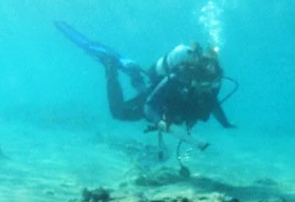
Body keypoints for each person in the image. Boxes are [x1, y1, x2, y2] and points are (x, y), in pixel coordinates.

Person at [55, 22, 236, 136]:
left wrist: (226, 124)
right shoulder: (180, 75)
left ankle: (134, 74)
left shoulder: (213, 82)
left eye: (210, 81)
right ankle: (111, 67)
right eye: (203, 81)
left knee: (147, 92)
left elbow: (213, 103)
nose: (206, 86)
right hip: (159, 97)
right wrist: (162, 123)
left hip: (168, 104)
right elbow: (150, 105)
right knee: (119, 113)